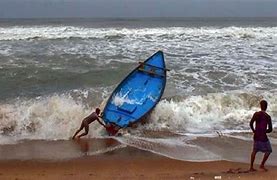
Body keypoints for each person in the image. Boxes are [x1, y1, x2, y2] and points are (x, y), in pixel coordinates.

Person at [249, 100, 273, 172]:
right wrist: (264, 131)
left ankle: (251, 167)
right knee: (269, 150)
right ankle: (262, 165)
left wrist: (254, 130)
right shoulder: (268, 117)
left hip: (256, 135)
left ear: (260, 106)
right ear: (266, 107)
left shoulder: (256, 114)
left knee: (254, 151)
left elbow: (251, 123)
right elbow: (270, 129)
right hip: (263, 137)